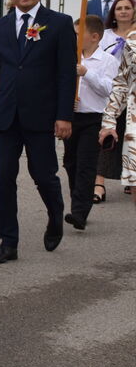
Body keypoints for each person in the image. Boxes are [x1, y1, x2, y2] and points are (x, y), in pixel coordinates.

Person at [0, 0, 76, 264]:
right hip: (5, 115)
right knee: (3, 177)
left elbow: (66, 74)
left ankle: (55, 213)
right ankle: (8, 242)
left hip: (41, 115)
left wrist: (64, 116)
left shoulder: (59, 24)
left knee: (43, 175)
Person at [64, 16, 117, 231]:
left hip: (93, 119)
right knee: (71, 163)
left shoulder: (107, 61)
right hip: (72, 118)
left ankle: (79, 212)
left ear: (94, 37)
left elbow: (109, 89)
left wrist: (86, 73)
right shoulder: (70, 57)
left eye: (78, 35)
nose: (74, 38)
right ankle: (79, 201)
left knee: (85, 165)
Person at [95, 0, 135, 201]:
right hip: (112, 92)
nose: (124, 11)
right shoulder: (109, 36)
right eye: (120, 8)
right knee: (108, 137)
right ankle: (99, 183)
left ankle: (130, 179)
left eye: (128, 8)